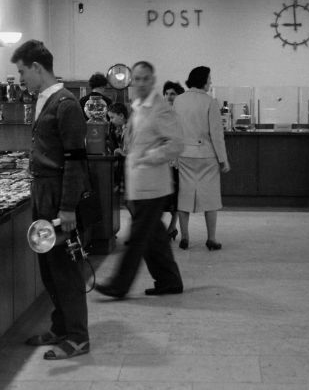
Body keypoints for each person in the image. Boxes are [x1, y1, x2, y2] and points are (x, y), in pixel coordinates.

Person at [11, 40, 91, 359]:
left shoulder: (65, 103)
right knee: (49, 267)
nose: (20, 79)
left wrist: (68, 206)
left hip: (59, 196)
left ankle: (78, 337)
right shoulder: (44, 99)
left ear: (37, 68)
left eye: (21, 71)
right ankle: (60, 326)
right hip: (43, 193)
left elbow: (75, 158)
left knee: (65, 269)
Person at [95, 61, 184, 298]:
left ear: (153, 80)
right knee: (154, 237)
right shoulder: (138, 107)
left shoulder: (160, 108)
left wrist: (149, 157)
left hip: (153, 185)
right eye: (137, 78)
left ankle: (119, 285)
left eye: (146, 78)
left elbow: (176, 143)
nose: (141, 83)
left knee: (136, 239)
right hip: (139, 185)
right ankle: (169, 280)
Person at [173, 66, 230, 251]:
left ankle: (185, 237)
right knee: (210, 198)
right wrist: (223, 160)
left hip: (184, 154)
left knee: (184, 196)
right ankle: (211, 239)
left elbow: (174, 130)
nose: (211, 82)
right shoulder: (210, 102)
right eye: (209, 78)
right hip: (206, 155)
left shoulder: (179, 101)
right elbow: (216, 134)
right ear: (203, 80)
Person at [162, 81, 185, 242]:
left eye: (173, 94)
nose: (169, 96)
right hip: (162, 158)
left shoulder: (181, 113)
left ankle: (172, 226)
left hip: (176, 159)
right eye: (167, 93)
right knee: (164, 196)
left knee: (176, 195)